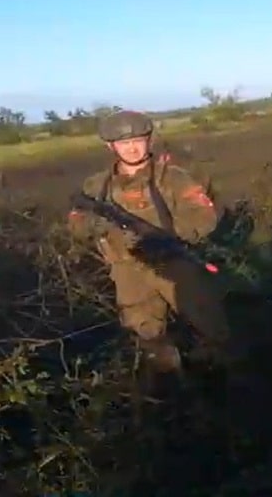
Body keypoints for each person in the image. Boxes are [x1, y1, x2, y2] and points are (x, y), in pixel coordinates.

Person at [67, 110, 233, 374]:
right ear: (111, 146)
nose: (132, 148)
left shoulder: (174, 177)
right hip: (127, 268)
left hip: (175, 262)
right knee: (146, 332)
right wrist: (105, 227)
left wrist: (169, 237)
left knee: (208, 325)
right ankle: (167, 386)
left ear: (149, 140)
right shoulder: (97, 186)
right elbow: (77, 225)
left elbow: (204, 216)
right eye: (124, 143)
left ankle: (221, 382)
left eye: (138, 140)